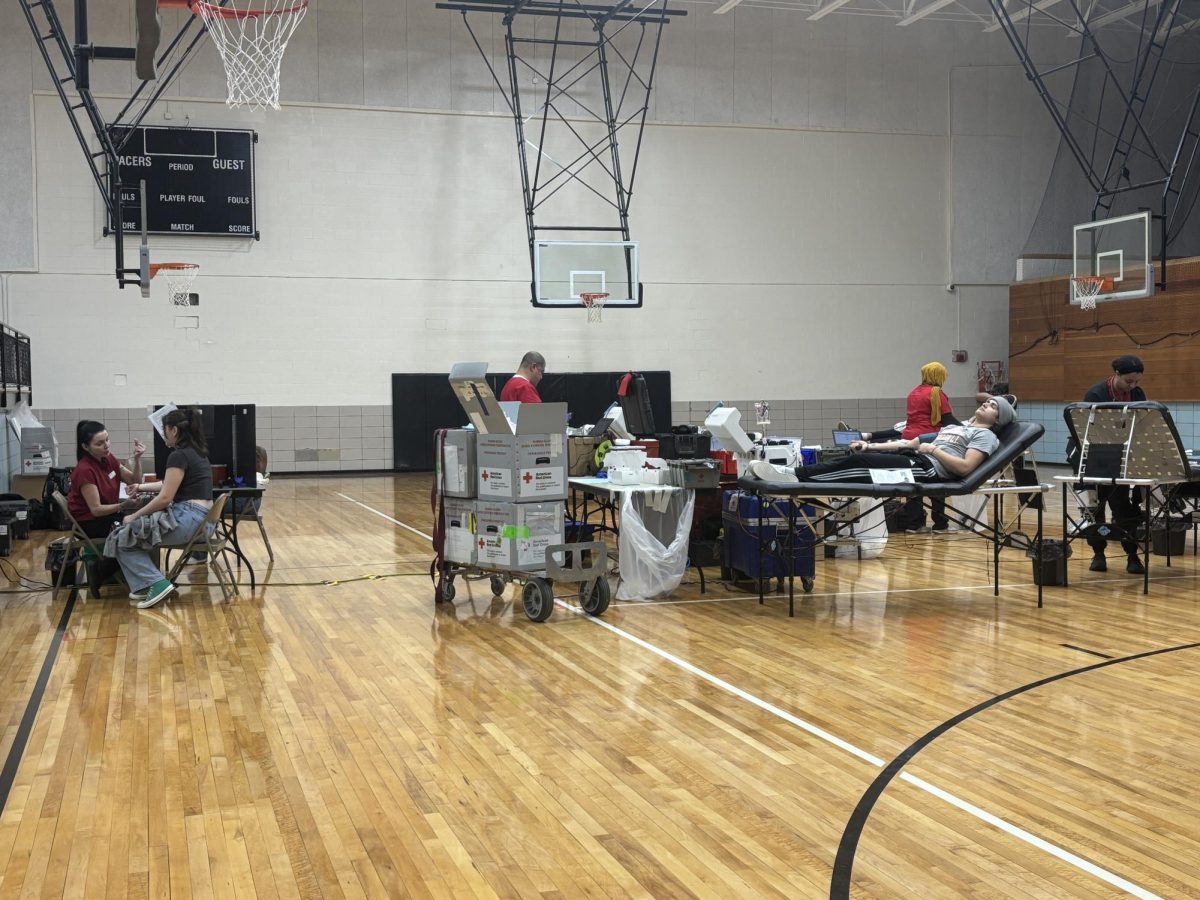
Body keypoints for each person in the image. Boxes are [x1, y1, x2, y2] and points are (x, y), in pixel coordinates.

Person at [750, 395, 1015, 488]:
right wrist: (871, 444)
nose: (986, 404)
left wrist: (933, 449)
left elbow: (966, 468)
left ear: (998, 419)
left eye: (993, 406)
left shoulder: (985, 436)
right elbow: (909, 443)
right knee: (862, 455)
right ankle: (792, 474)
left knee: (860, 465)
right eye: (988, 401)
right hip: (917, 458)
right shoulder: (958, 428)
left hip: (927, 470)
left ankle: (795, 477)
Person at [104, 407, 214, 609]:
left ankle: (156, 583)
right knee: (129, 535)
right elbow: (169, 484)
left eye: (164, 430)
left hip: (188, 521)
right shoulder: (198, 452)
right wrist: (141, 486)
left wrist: (133, 516)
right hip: (204, 525)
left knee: (121, 537)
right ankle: (144, 586)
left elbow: (165, 498)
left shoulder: (178, 455)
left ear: (173, 430)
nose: (163, 435)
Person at [1072, 355, 1147, 575]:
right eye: (1128, 381)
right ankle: (1098, 553)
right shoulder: (1096, 394)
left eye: (1136, 382)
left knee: (1123, 508)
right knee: (1096, 508)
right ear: (1117, 374)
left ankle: (1132, 556)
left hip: (1121, 456)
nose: (1132, 386)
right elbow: (1088, 429)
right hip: (1096, 456)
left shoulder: (1137, 394)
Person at [66, 420, 147, 591]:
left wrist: (138, 459)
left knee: (143, 526)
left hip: (107, 515)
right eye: (99, 443)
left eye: (107, 440)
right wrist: (124, 505)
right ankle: (101, 572)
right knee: (135, 532)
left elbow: (134, 480)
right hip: (89, 522)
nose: (106, 446)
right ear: (86, 447)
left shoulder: (108, 459)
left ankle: (128, 575)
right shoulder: (85, 470)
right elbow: (95, 510)